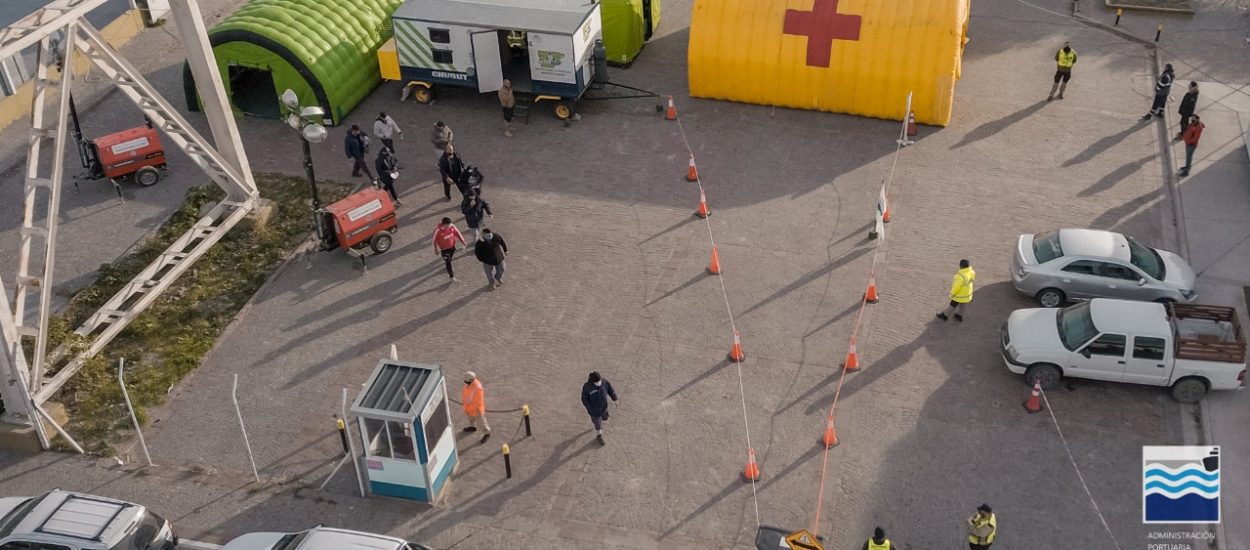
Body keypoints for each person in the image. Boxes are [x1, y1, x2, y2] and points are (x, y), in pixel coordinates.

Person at [580, 371, 618, 445]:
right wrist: (591, 410)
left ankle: (598, 422)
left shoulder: (604, 382)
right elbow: (584, 400)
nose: (599, 383)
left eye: (599, 381)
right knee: (598, 423)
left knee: (605, 417)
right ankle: (599, 435)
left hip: (604, 408)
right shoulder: (587, 387)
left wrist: (615, 398)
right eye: (597, 382)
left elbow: (610, 390)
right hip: (594, 411)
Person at [432, 217, 466, 282]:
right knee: (448, 261)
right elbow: (434, 240)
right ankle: (451, 277)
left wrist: (463, 241)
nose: (450, 226)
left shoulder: (452, 226)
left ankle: (448, 265)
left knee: (449, 259)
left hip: (452, 247)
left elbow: (457, 233)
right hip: (444, 250)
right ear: (444, 224)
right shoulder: (437, 230)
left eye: (450, 225)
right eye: (448, 225)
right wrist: (436, 249)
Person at [461, 372, 490, 443]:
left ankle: (487, 433)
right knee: (470, 419)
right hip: (469, 407)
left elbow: (478, 401)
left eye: (466, 381)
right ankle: (472, 427)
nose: (465, 382)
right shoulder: (469, 383)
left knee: (481, 422)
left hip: (477, 409)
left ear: (470, 380)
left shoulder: (478, 388)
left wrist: (470, 406)